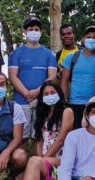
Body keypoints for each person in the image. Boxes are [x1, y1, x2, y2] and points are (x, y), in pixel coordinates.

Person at [8, 16, 58, 145]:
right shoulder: (16, 53)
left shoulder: (49, 54)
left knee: (41, 136)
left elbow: (52, 76)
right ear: (25, 31)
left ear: (41, 32)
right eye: (30, 29)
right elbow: (12, 76)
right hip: (20, 101)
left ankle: (39, 159)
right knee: (20, 138)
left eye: (37, 29)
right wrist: (26, 93)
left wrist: (37, 92)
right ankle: (21, 159)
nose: (34, 31)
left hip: (42, 100)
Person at [18, 79, 75, 180]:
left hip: (61, 160)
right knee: (34, 163)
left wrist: (41, 160)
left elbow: (60, 140)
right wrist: (40, 159)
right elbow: (39, 140)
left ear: (59, 93)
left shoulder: (67, 111)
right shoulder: (42, 113)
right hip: (45, 160)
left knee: (35, 161)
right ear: (42, 97)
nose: (50, 96)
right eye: (46, 94)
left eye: (52, 93)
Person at [60, 25, 95, 128]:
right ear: (82, 40)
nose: (91, 39)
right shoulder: (72, 57)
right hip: (74, 103)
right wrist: (63, 100)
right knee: (75, 133)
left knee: (94, 133)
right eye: (88, 37)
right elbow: (64, 80)